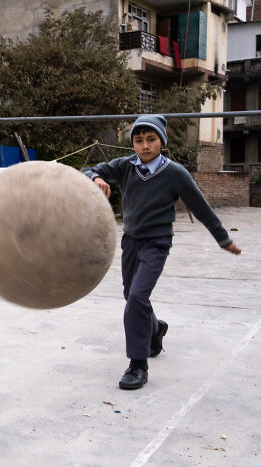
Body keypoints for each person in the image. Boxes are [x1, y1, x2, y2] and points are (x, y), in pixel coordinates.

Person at [81, 114, 241, 390]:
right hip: (131, 242)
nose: (144, 146)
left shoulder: (175, 173)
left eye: (151, 139)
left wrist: (223, 239)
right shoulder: (126, 166)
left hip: (157, 243)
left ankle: (138, 364)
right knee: (130, 295)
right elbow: (86, 171)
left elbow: (201, 208)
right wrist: (95, 177)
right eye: (139, 140)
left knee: (137, 297)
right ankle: (155, 329)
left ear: (161, 142)